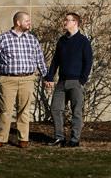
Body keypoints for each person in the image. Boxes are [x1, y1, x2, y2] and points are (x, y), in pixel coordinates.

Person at [0, 11, 50, 149]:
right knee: (5, 111)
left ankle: (23, 139)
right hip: (7, 80)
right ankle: (1, 139)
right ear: (18, 22)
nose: (29, 23)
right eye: (27, 20)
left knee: (24, 110)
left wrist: (47, 76)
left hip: (27, 79)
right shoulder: (3, 38)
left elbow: (40, 59)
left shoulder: (32, 39)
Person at [45, 11, 93, 147]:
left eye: (67, 20)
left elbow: (88, 62)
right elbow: (55, 61)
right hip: (61, 82)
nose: (64, 22)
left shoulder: (83, 41)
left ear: (75, 23)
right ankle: (59, 138)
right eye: (65, 20)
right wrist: (50, 76)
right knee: (55, 109)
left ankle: (74, 139)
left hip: (76, 82)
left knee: (76, 112)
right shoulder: (62, 41)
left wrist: (82, 80)